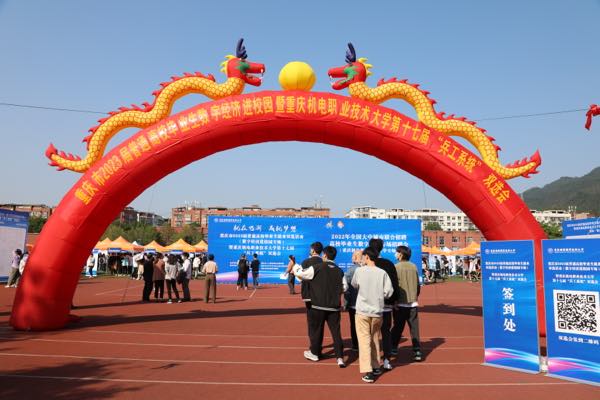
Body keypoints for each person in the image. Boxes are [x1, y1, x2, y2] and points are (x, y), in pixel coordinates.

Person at [294, 246, 347, 368]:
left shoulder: (317, 267)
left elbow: (301, 274)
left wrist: (295, 266)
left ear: (325, 255)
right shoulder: (339, 270)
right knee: (336, 332)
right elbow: (345, 287)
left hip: (318, 306)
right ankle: (340, 357)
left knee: (316, 330)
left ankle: (314, 353)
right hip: (334, 307)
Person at [351, 247, 394, 383]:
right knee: (375, 339)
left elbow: (354, 284)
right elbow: (389, 291)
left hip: (362, 311)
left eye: (364, 256)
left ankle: (368, 371)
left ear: (367, 257)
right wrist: (379, 295)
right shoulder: (382, 273)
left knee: (364, 341)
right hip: (377, 311)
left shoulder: (359, 271)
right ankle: (376, 366)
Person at [369, 238, 399, 371]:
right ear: (381, 248)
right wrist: (395, 301)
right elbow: (395, 284)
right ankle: (386, 360)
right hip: (386, 304)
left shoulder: (368, 265)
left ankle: (373, 362)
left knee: (372, 334)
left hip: (371, 305)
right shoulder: (389, 264)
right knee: (386, 333)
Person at [391, 245, 423, 362]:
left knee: (397, 327)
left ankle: (394, 348)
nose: (395, 254)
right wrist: (415, 296)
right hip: (412, 303)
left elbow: (394, 286)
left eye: (396, 252)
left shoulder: (396, 267)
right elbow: (418, 285)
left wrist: (394, 301)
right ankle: (417, 350)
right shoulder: (414, 266)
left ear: (400, 254)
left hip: (400, 303)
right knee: (414, 328)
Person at [300, 242, 323, 346]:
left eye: (310, 249)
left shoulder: (306, 262)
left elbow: (300, 277)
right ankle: (318, 345)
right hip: (322, 296)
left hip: (309, 296)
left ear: (313, 250)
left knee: (311, 322)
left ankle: (313, 345)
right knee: (320, 323)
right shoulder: (324, 262)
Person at [344, 250, 363, 352]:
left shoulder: (351, 270)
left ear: (356, 257)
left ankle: (356, 345)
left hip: (354, 304)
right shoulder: (368, 269)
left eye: (353, 256)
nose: (351, 257)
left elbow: (345, 287)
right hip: (366, 304)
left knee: (354, 325)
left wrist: (345, 304)